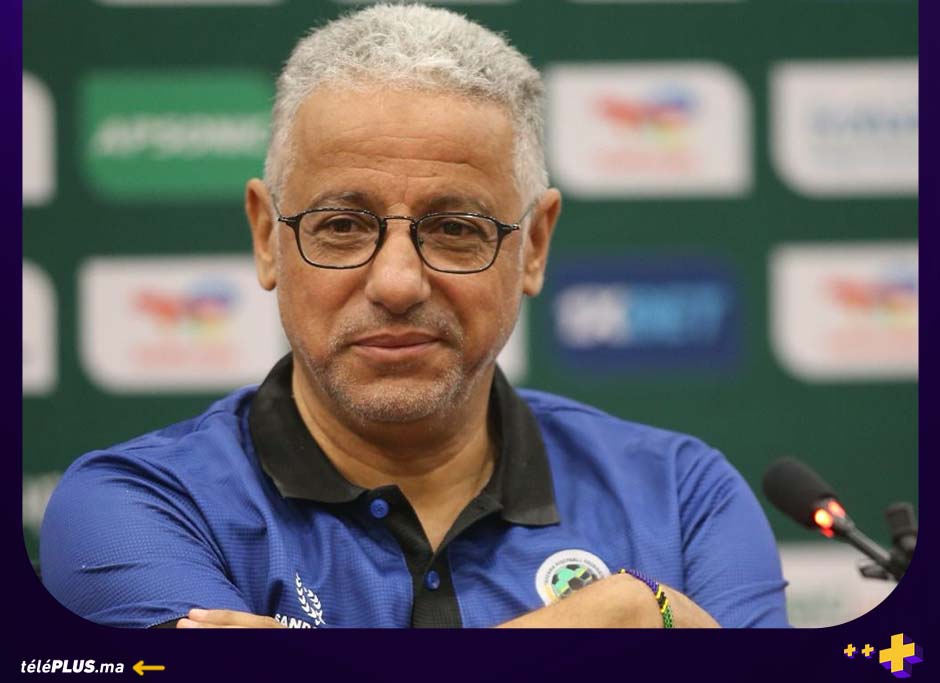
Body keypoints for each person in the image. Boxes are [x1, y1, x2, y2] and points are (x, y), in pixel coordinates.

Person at [40, 3, 788, 629]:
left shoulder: (682, 498)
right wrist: (621, 621)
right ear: (268, 237)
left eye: (456, 228)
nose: (397, 282)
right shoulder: (136, 506)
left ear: (533, 246)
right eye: (341, 225)